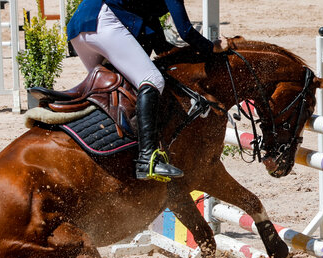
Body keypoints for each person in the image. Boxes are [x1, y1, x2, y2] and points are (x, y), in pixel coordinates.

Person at [67, 0, 220, 181]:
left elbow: (151, 24)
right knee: (153, 80)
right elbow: (185, 31)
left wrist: (172, 51)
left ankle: (114, 149)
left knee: (114, 85)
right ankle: (148, 158)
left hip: (79, 25)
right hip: (102, 21)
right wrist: (213, 48)